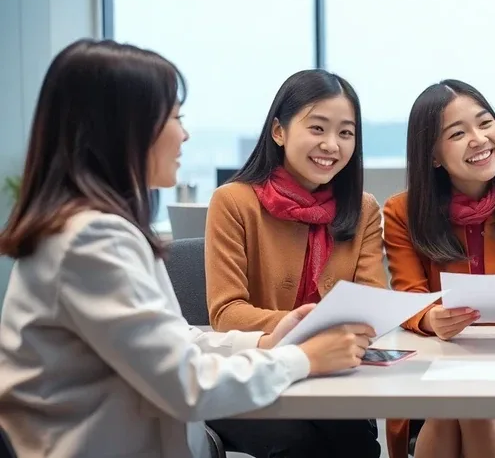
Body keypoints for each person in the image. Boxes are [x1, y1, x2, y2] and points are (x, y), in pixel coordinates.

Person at [0, 39, 374, 458]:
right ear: (122, 128)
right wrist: (304, 358)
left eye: (345, 132)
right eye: (174, 117)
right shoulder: (90, 242)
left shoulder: (97, 230)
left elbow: (174, 342)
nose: (185, 133)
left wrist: (268, 344)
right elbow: (187, 384)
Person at [382, 80, 495, 458]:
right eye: (457, 133)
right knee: (460, 403)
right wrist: (432, 318)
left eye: (485, 123)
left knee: (466, 403)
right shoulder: (402, 213)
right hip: (434, 371)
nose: (478, 138)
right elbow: (409, 298)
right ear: (433, 155)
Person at [204, 69, 385, 457]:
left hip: (332, 375)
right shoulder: (233, 202)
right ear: (279, 131)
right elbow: (226, 312)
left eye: (346, 133)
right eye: (317, 128)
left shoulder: (363, 208)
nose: (332, 145)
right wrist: (296, 328)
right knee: (298, 444)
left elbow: (372, 301)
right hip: (252, 373)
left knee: (359, 446)